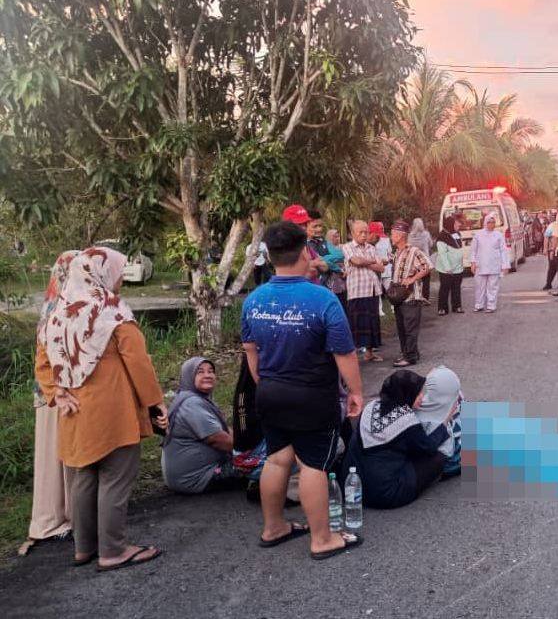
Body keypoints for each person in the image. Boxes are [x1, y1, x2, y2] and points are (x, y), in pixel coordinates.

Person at [35, 247, 167, 571]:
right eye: (118, 271)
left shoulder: (56, 314)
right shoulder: (112, 310)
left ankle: (84, 548)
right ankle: (114, 550)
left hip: (74, 412)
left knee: (83, 477)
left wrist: (57, 393)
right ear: (100, 272)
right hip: (112, 408)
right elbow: (137, 361)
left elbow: (42, 364)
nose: (120, 278)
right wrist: (155, 401)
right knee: (115, 477)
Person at [241, 220, 364, 560]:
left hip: (269, 392)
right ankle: (323, 539)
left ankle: (273, 527)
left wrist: (263, 383)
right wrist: (355, 391)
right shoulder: (321, 298)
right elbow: (345, 352)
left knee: (277, 458)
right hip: (312, 396)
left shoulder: (254, 299)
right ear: (304, 252)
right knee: (313, 464)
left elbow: (250, 350)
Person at [22, 250, 78, 556]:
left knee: (61, 455)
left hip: (53, 392)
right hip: (54, 393)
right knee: (55, 457)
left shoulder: (55, 305)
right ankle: (52, 520)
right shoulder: (59, 310)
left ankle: (66, 515)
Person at [344, 370, 459, 509]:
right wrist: (445, 422)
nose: (422, 398)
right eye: (417, 394)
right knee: (438, 458)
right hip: (386, 494)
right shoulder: (405, 421)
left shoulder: (371, 406)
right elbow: (429, 447)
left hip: (354, 486)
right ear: (406, 395)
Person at [161, 357, 243, 494]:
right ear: (189, 376)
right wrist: (250, 450)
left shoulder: (196, 398)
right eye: (200, 372)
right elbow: (219, 440)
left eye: (211, 371)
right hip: (197, 477)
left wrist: (246, 443)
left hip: (190, 475)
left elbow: (224, 430)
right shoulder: (191, 404)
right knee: (262, 463)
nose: (207, 375)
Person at [389, 220, 433, 368]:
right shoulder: (396, 252)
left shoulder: (413, 251)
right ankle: (408, 352)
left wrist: (412, 279)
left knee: (410, 328)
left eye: (394, 233)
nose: (391, 236)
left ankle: (410, 356)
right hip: (399, 297)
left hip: (411, 297)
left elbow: (427, 266)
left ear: (401, 235)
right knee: (401, 327)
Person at [343, 221, 386, 363]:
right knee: (356, 323)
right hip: (357, 291)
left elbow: (381, 268)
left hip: (372, 290)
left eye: (366, 232)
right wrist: (371, 262)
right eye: (360, 232)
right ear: (353, 233)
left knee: (372, 322)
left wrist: (366, 262)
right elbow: (356, 261)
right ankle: (352, 355)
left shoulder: (371, 247)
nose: (363, 235)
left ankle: (369, 353)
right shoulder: (347, 247)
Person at [469, 212, 510, 312]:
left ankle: (491, 306)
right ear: (485, 223)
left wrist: (505, 265)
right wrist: (473, 263)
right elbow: (473, 250)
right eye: (489, 222)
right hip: (481, 265)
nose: (491, 224)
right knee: (480, 287)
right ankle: (479, 305)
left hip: (494, 265)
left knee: (493, 287)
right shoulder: (478, 235)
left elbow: (503, 251)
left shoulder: (498, 235)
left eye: (493, 222)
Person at [282, 205, 322, 284]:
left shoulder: (304, 244)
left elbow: (322, 264)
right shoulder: (283, 246)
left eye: (305, 223)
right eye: (299, 224)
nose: (303, 227)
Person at [435, 215, 465, 316]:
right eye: (457, 223)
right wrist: (448, 268)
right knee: (445, 288)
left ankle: (457, 306)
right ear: (451, 224)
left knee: (456, 287)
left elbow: (459, 248)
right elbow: (442, 254)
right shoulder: (442, 237)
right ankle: (442, 308)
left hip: (458, 268)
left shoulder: (457, 234)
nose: (459, 225)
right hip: (446, 269)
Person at [408, 218, 433, 301]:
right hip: (425, 260)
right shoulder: (426, 234)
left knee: (415, 279)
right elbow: (431, 244)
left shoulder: (410, 236)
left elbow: (408, 247)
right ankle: (426, 297)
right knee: (426, 280)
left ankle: (416, 296)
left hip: (414, 261)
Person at [324, 228, 348, 311]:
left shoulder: (344, 247)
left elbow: (349, 260)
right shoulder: (325, 248)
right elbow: (326, 262)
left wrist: (346, 270)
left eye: (338, 236)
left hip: (345, 277)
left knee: (345, 301)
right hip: (332, 277)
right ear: (329, 237)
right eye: (334, 236)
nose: (337, 238)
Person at [369, 221, 392, 294]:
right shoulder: (369, 244)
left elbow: (389, 253)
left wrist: (389, 259)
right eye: (380, 228)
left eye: (383, 228)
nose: (382, 230)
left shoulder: (386, 240)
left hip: (386, 268)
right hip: (375, 270)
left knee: (390, 290)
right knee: (377, 292)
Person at [541, 220, 557, 291]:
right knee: (552, 267)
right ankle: (548, 283)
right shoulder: (552, 225)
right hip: (552, 249)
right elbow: (546, 237)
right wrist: (545, 248)